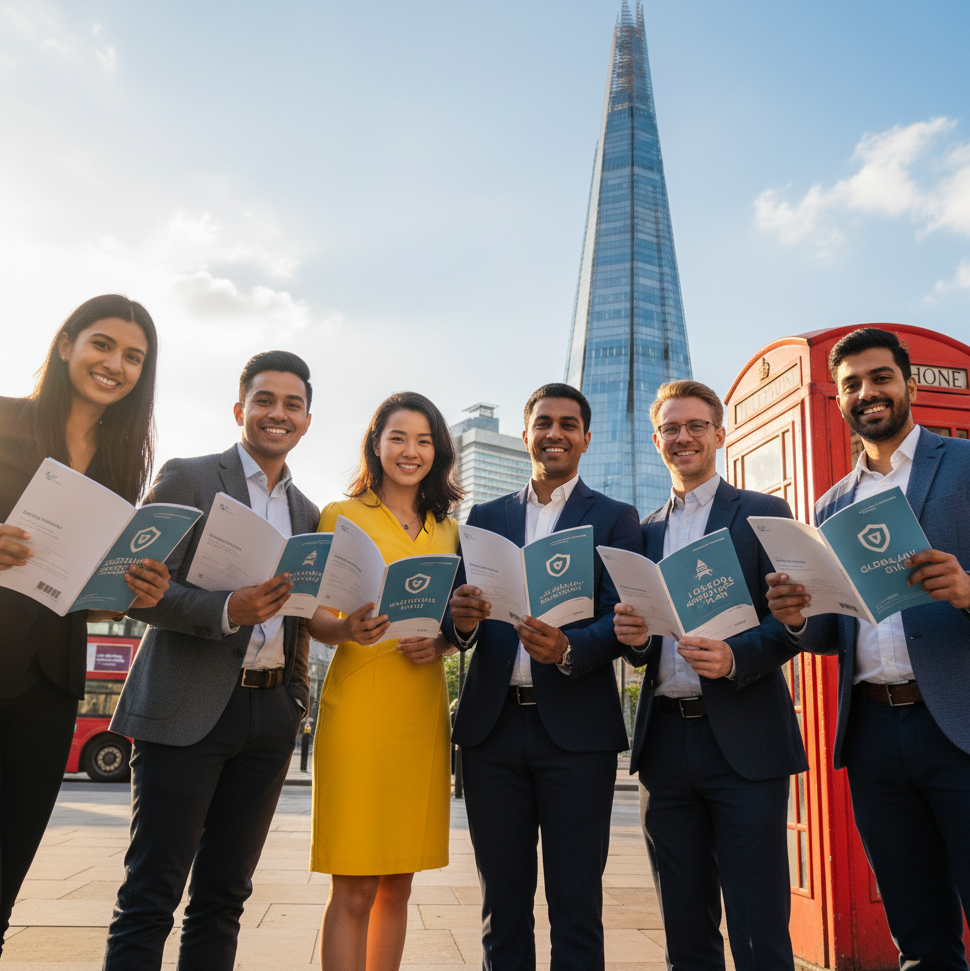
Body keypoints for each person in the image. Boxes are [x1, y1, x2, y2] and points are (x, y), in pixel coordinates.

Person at [766, 327, 970, 970]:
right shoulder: (831, 503)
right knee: (918, 937)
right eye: (851, 383)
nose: (867, 392)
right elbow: (839, 628)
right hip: (875, 731)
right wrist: (799, 619)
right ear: (838, 402)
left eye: (880, 377)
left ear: (908, 385)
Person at [102, 350, 320, 971]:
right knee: (151, 895)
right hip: (185, 706)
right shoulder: (190, 477)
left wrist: (294, 703)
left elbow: (299, 617)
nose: (278, 413)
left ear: (306, 421)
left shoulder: (308, 512)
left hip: (270, 715)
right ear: (240, 409)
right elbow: (136, 586)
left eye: (292, 404)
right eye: (265, 400)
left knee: (224, 898)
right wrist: (229, 609)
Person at [446, 382, 643, 971]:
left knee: (576, 903)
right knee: (500, 905)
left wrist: (568, 649)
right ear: (527, 432)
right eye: (542, 423)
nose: (553, 434)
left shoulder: (614, 517)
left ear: (585, 437)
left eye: (566, 424)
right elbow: (459, 621)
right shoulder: (484, 516)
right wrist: (459, 621)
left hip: (577, 734)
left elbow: (626, 619)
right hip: (491, 729)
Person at [612, 380, 806, 971]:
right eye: (671, 428)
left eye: (696, 425)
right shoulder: (641, 532)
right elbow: (642, 649)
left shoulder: (765, 513)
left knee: (759, 924)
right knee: (685, 927)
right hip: (666, 743)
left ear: (720, 436)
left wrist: (736, 657)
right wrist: (637, 642)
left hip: (746, 741)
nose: (684, 437)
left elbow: (798, 620)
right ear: (656, 441)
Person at [0, 294, 170, 952]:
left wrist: (131, 594)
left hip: (50, 682)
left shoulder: (122, 461)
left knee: (8, 870)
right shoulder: (6, 419)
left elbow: (82, 595)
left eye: (134, 357)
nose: (115, 365)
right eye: (103, 344)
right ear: (67, 341)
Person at [305, 392, 462, 971]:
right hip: (361, 709)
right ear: (376, 444)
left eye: (423, 440)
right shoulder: (341, 516)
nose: (410, 451)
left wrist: (444, 642)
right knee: (354, 887)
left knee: (398, 883)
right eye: (398, 438)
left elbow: (454, 625)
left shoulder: (449, 531)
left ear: (438, 452)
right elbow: (312, 616)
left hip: (421, 709)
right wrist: (349, 630)